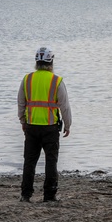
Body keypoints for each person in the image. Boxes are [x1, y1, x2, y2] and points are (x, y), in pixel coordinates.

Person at [18, 47, 72, 202]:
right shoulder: (56, 81)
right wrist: (68, 125)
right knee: (51, 161)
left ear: (37, 62)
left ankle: (25, 195)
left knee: (29, 161)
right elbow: (65, 107)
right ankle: (49, 195)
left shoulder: (27, 79)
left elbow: (21, 103)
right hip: (50, 127)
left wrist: (23, 121)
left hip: (31, 126)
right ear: (51, 62)